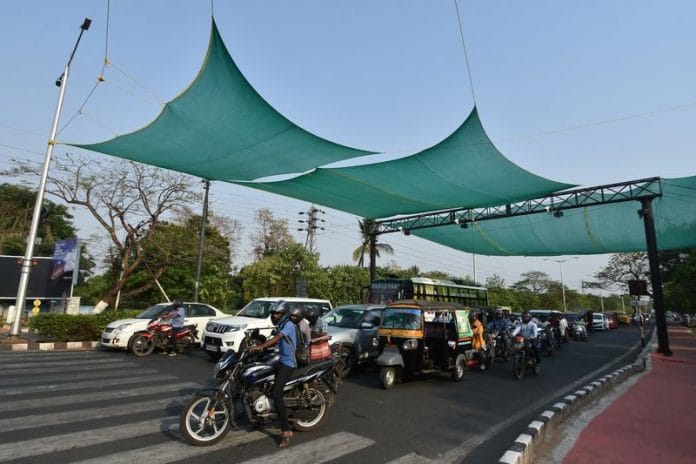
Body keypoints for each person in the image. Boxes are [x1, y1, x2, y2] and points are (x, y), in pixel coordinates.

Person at [250, 304, 297, 448]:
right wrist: (257, 344)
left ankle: (286, 431)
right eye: (273, 313)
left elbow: (277, 338)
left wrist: (262, 347)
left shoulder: (289, 325)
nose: (273, 316)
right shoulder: (280, 325)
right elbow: (272, 339)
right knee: (262, 381)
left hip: (288, 364)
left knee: (276, 394)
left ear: (283, 314)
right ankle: (262, 416)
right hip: (280, 360)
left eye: (277, 314)